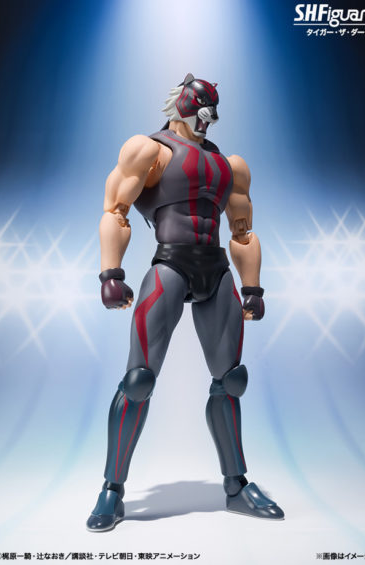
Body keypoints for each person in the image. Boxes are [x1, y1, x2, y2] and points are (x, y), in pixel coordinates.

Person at [86, 73, 284, 531]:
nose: (206, 119)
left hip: (216, 269)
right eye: (200, 108)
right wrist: (111, 273)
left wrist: (253, 287)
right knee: (138, 380)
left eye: (212, 111)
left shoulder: (230, 166)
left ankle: (236, 486)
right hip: (170, 265)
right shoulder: (148, 150)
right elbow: (115, 211)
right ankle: (112, 490)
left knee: (231, 380)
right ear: (182, 105)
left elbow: (242, 231)